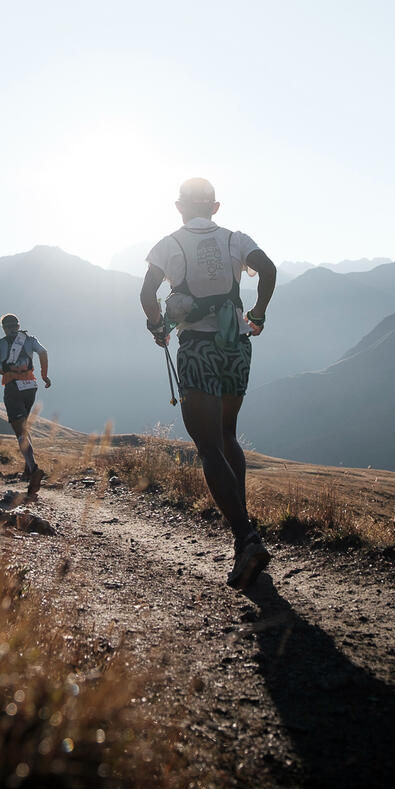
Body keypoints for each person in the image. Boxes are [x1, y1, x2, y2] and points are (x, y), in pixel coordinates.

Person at [140, 177, 277, 589]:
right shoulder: (236, 240)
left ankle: (245, 537)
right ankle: (244, 537)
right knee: (227, 435)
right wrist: (258, 313)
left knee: (208, 446)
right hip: (236, 346)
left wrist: (157, 326)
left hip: (198, 347)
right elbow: (267, 270)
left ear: (178, 207)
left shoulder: (168, 244)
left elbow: (147, 294)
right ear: (215, 208)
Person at [0, 313, 51, 496]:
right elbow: (43, 352)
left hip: (13, 388)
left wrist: (1, 367)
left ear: (4, 328)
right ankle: (28, 469)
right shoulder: (30, 339)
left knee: (19, 431)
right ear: (18, 325)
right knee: (24, 427)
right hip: (31, 386)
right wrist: (44, 375)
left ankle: (34, 468)